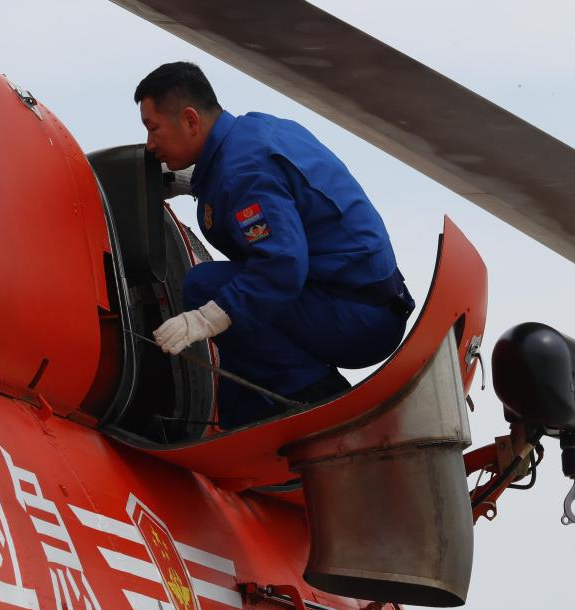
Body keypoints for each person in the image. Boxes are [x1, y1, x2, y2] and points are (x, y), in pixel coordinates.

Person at [137, 62, 415, 429]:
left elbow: (281, 266)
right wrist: (194, 182)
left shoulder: (243, 171)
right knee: (237, 374)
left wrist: (206, 318)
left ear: (190, 120)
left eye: (153, 128)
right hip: (365, 302)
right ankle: (242, 429)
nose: (150, 144)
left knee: (207, 288)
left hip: (357, 317)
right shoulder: (254, 133)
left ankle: (317, 399)